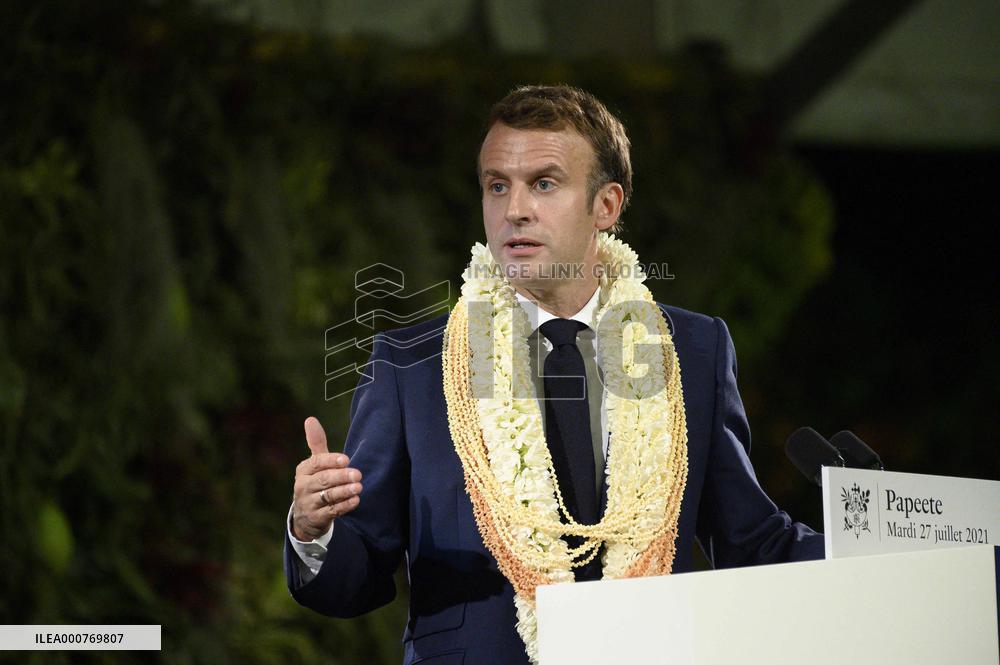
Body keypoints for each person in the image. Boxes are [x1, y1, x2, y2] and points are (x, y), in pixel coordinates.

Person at [284, 85, 822, 665]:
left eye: (544, 183)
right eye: (497, 185)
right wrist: (313, 531)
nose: (515, 208)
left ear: (606, 206)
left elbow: (750, 541)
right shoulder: (411, 362)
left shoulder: (690, 350)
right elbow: (356, 577)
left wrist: (878, 545)